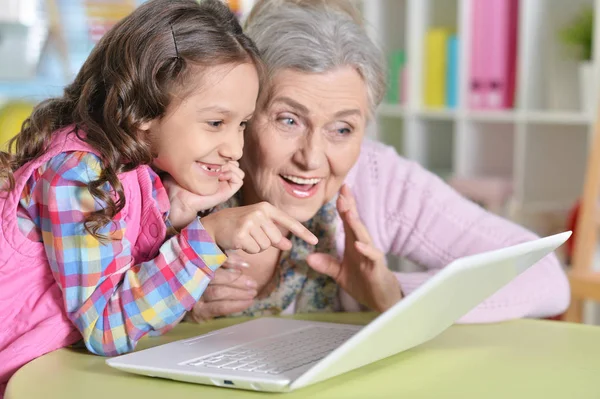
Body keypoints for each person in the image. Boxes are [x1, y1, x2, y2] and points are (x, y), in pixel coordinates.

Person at [0, 0, 318, 394]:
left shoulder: (134, 171)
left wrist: (175, 213)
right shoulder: (78, 173)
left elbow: (113, 269)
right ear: (142, 110)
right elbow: (106, 327)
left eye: (242, 124)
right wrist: (207, 236)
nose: (234, 148)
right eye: (216, 123)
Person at [186, 0, 570, 323]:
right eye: (289, 120)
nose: (312, 158)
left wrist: (396, 295)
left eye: (342, 129)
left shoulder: (378, 178)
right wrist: (175, 304)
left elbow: (544, 274)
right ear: (246, 113)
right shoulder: (181, 172)